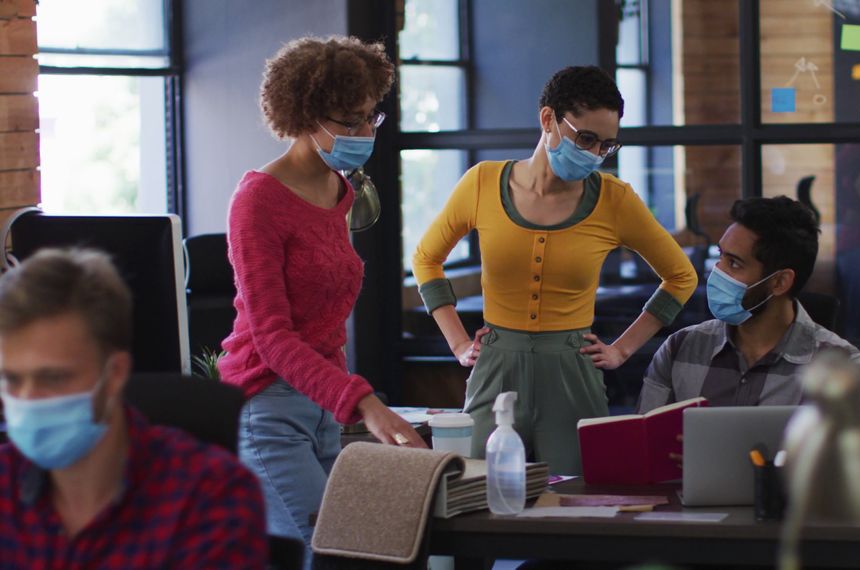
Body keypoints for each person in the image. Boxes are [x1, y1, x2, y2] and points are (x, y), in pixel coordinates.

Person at [413, 66, 697, 474]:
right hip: (496, 365)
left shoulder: (615, 200)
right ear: (548, 119)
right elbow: (426, 258)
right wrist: (458, 342)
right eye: (586, 139)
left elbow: (681, 276)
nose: (595, 154)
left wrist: (622, 348)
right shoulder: (482, 183)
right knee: (478, 485)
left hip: (572, 370)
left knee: (577, 494)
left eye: (606, 145)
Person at [218, 36, 424, 558]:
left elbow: (325, 320)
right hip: (268, 408)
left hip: (323, 409)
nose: (363, 132)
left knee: (364, 550)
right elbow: (272, 338)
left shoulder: (339, 190)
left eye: (369, 117)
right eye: (349, 121)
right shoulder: (257, 200)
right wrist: (364, 403)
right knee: (327, 553)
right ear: (306, 116)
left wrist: (342, 403)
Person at [0, 248, 266, 568]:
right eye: (11, 379)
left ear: (115, 373)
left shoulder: (211, 494)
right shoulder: (5, 483)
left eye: (53, 378)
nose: (28, 399)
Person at [637, 196, 860, 412]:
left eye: (734, 264)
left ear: (779, 282)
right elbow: (644, 437)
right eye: (721, 256)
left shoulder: (842, 367)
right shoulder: (679, 349)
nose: (717, 272)